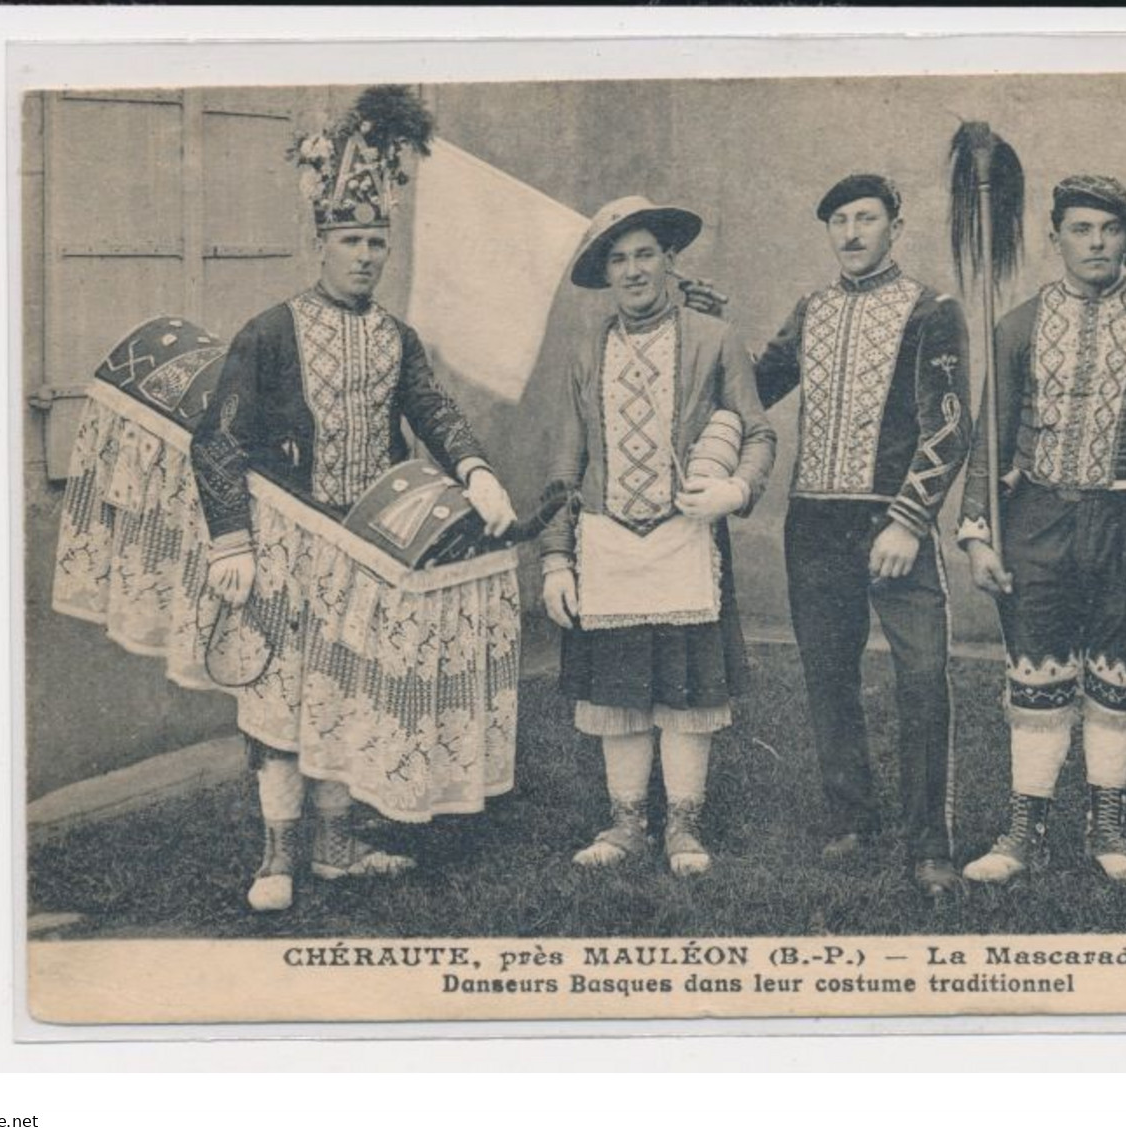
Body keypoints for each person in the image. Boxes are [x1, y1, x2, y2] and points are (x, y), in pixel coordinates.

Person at [190, 87, 517, 912]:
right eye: (351, 241)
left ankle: (335, 848)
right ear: (322, 245)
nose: (367, 256)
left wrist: (474, 470)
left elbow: (433, 410)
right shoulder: (269, 332)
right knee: (278, 699)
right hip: (289, 542)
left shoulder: (395, 337)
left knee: (345, 694)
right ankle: (276, 857)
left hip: (369, 544)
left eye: (377, 242)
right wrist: (232, 539)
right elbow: (217, 438)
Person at [956, 174, 1126, 885]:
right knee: (1036, 671)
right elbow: (990, 436)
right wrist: (979, 535)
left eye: (1108, 230)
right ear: (1055, 237)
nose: (1095, 243)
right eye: (1080, 229)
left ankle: (1108, 826)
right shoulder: (1018, 324)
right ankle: (1023, 828)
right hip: (1036, 519)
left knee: (1116, 672)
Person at [541, 196, 777, 877]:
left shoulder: (712, 338)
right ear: (605, 274)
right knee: (618, 686)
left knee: (686, 686)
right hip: (606, 540)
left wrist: (736, 489)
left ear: (670, 261)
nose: (633, 270)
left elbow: (755, 430)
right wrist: (556, 556)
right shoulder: (586, 349)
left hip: (685, 538)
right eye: (618, 259)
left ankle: (682, 825)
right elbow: (565, 463)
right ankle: (624, 824)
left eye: (645, 254)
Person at [754, 174, 971, 895]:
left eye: (865, 219)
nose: (850, 233)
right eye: (838, 220)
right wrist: (706, 336)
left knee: (919, 678)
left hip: (890, 520)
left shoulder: (931, 311)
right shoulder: (809, 311)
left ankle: (929, 843)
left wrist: (909, 519)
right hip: (814, 521)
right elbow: (754, 387)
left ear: (893, 227)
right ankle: (851, 818)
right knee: (827, 675)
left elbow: (947, 425)